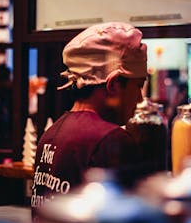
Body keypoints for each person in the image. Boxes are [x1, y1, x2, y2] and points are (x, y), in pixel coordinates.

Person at [31, 22, 148, 212]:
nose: (140, 99)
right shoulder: (112, 139)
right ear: (114, 85)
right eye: (138, 86)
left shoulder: (50, 135)